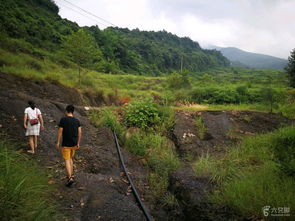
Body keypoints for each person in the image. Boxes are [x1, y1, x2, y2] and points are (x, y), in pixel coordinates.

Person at [56, 105, 82, 187]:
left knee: (67, 160)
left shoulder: (63, 119)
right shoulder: (77, 120)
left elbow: (60, 131)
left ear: (66, 111)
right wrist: (78, 143)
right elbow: (80, 132)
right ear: (73, 111)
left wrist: (58, 142)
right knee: (70, 158)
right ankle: (71, 175)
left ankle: (70, 178)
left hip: (66, 144)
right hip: (74, 143)